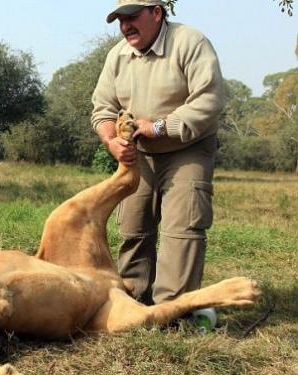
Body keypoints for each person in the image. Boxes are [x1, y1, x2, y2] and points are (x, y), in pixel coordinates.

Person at [91, 0, 225, 309]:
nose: (125, 26)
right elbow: (103, 108)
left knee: (182, 229)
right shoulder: (117, 56)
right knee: (133, 227)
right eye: (120, 20)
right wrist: (112, 141)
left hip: (187, 148)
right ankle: (132, 301)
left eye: (132, 16)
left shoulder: (190, 42)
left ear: (156, 13)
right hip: (140, 153)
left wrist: (161, 127)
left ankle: (173, 310)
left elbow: (210, 99)